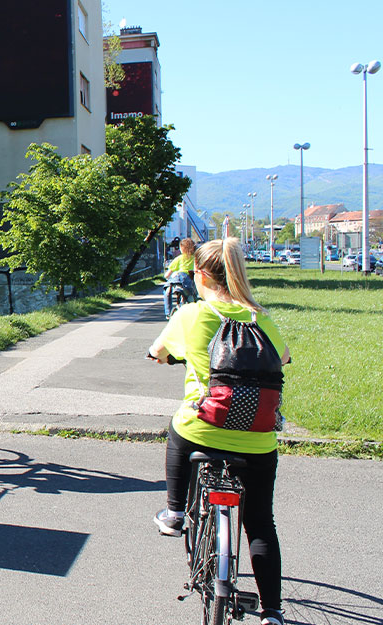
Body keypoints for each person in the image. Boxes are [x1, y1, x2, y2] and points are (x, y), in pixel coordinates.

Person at [147, 238, 290, 625]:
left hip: (203, 431)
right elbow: (285, 357)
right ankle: (272, 612)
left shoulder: (191, 315)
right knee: (260, 523)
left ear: (199, 274)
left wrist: (173, 355)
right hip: (258, 440)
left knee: (180, 425)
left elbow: (157, 352)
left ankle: (175, 512)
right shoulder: (261, 318)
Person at [162, 237, 198, 318]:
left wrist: (168, 277)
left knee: (167, 291)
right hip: (189, 280)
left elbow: (167, 275)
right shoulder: (196, 259)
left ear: (182, 248)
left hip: (177, 280)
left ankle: (168, 312)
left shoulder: (178, 259)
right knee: (192, 296)